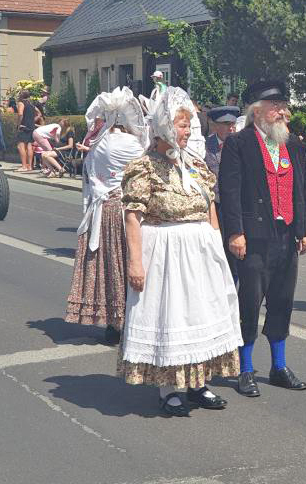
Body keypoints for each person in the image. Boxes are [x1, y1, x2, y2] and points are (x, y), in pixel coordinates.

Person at [120, 86, 242, 416]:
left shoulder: (197, 165)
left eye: (189, 125)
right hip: (164, 251)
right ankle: (169, 389)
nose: (186, 132)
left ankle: (199, 383)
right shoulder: (143, 167)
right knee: (170, 316)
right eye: (180, 125)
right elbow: (133, 216)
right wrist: (136, 262)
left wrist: (217, 245)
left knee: (200, 313)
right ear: (162, 128)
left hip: (200, 250)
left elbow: (209, 207)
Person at [220, 78, 306, 397]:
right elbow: (230, 192)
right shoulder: (239, 143)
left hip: (285, 234)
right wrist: (235, 232)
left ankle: (279, 366)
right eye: (275, 107)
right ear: (257, 111)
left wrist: (304, 230)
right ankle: (245, 369)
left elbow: (303, 190)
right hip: (253, 236)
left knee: (282, 301)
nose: (282, 112)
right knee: (249, 302)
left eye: (283, 106)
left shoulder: (293, 144)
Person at [65, 88, 147, 344]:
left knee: (111, 265)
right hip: (127, 208)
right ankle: (132, 320)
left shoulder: (100, 141)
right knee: (130, 264)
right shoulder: (130, 143)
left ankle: (113, 321)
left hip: (104, 208)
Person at [205, 105, 241, 278]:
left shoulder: (242, 145)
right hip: (215, 207)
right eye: (226, 124)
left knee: (236, 255)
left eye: (233, 124)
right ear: (216, 125)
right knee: (217, 250)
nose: (231, 128)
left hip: (237, 206)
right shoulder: (205, 147)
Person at [15, 90, 37, 171]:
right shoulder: (31, 104)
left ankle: (24, 166)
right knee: (29, 146)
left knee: (21, 146)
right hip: (31, 127)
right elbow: (39, 114)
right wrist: (32, 121)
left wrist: (19, 124)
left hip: (23, 127)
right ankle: (30, 166)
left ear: (21, 96)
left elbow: (20, 114)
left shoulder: (21, 103)